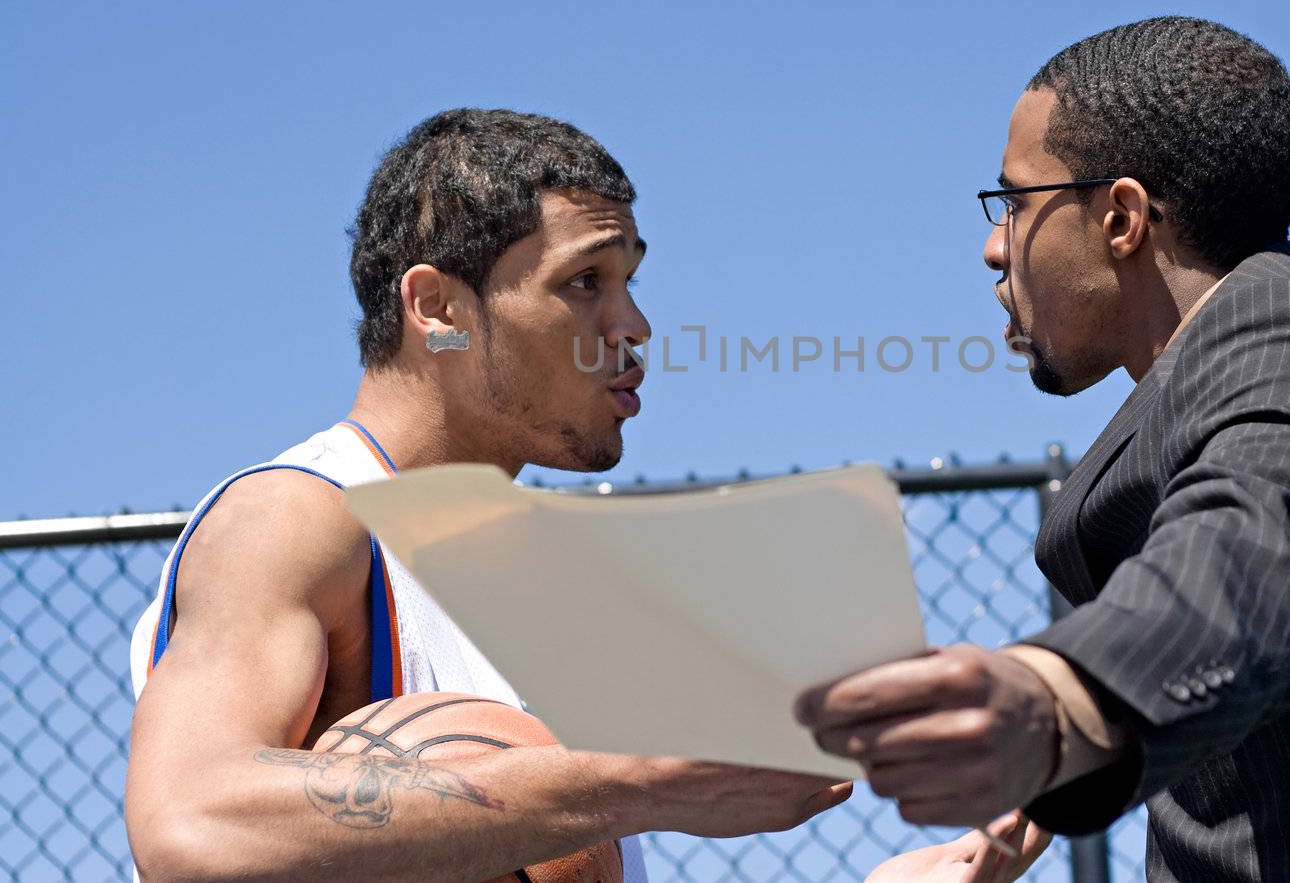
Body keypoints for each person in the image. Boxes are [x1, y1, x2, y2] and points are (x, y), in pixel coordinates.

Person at [125, 107, 1047, 883]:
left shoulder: (532, 586)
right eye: (585, 282)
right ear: (437, 307)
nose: (635, 325)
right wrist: (645, 779)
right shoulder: (299, 518)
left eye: (631, 280)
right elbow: (188, 823)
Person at [795, 16, 1290, 881]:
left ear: (1122, 217)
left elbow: (1249, 556)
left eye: (1017, 202)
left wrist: (1062, 702)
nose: (996, 243)